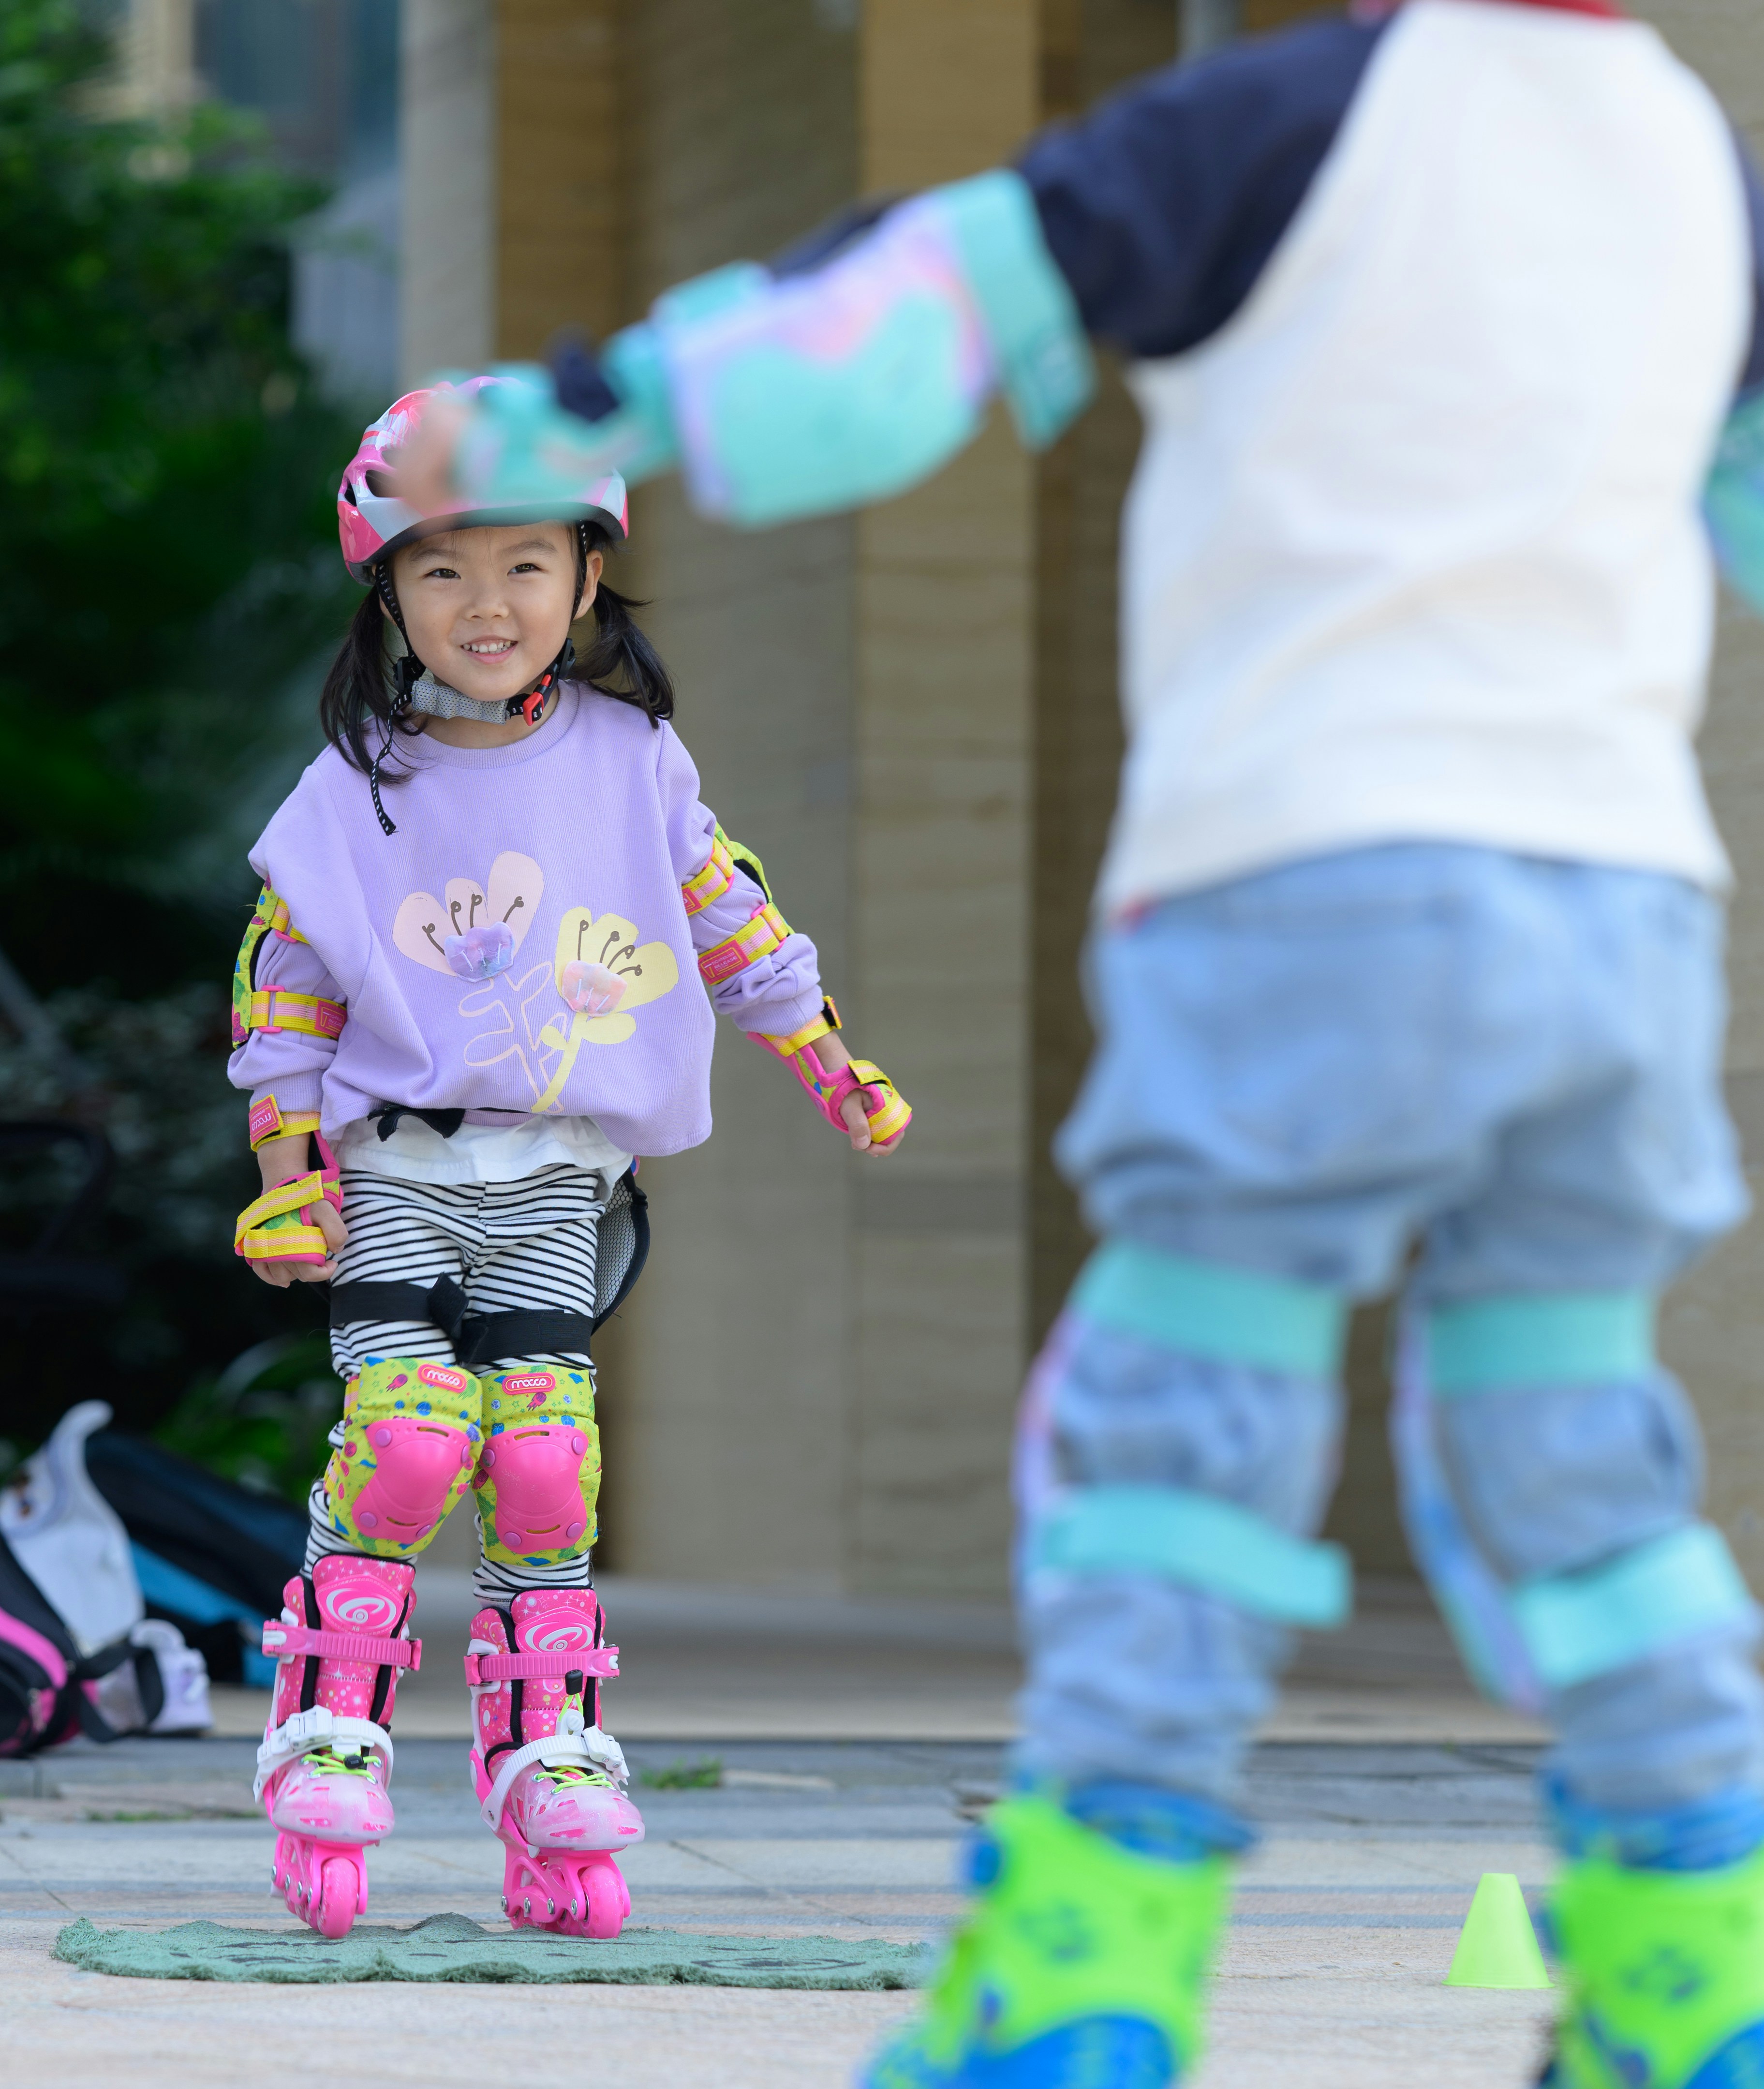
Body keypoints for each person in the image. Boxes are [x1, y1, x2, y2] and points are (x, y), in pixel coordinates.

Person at [394, 0, 1764, 2080]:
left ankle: (1087, 1969)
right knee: (1575, 1447)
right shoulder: (1696, 160)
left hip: (1319, 877)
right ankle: (1695, 1973)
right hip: (1623, 914)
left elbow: (901, 330)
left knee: (1178, 1430)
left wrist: (583, 407)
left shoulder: (1283, 118)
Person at [226, 376, 911, 1942]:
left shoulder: (633, 759)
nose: (488, 603)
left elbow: (730, 912)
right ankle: (324, 1725)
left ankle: (550, 1750)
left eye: (527, 565)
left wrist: (825, 1058)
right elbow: (291, 974)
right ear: (388, 585)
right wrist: (284, 1156)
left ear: (589, 580)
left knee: (544, 1463)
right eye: (445, 568)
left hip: (559, 1174)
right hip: (395, 1167)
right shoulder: (356, 787)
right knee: (405, 1444)